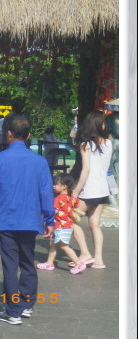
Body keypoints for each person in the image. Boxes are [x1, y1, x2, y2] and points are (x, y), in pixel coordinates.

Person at [0, 114, 55, 325]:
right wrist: (50, 220)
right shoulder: (40, 162)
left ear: (8, 134)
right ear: (28, 135)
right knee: (27, 261)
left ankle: (13, 311)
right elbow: (46, 193)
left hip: (5, 219)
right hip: (29, 220)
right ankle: (26, 304)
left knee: (10, 264)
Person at [70, 111, 112, 269]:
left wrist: (76, 191)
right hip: (103, 189)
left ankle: (85, 253)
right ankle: (98, 259)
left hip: (89, 190)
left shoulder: (85, 145)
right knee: (95, 224)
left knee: (68, 218)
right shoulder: (108, 143)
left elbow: (86, 170)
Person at [37, 173, 87, 274]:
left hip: (61, 226)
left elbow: (53, 211)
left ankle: (78, 264)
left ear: (64, 186)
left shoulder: (58, 199)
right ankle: (49, 263)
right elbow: (76, 204)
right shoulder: (71, 198)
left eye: (56, 184)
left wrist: (45, 218)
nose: (53, 186)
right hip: (66, 226)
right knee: (53, 244)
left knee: (64, 246)